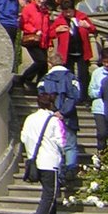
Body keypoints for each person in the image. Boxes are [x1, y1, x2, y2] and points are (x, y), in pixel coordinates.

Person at [20, 92, 65, 214]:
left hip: (34, 159)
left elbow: (24, 138)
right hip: (49, 160)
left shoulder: (30, 118)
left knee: (48, 190)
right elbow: (61, 141)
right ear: (51, 104)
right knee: (50, 193)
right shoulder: (53, 120)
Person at [38, 50, 81, 182]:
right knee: (70, 145)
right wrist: (63, 112)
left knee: (55, 145)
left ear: (49, 64)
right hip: (68, 116)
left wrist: (54, 112)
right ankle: (70, 169)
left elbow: (41, 97)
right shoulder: (71, 77)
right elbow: (76, 96)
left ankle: (59, 172)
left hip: (50, 117)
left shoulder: (44, 79)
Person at [50, 0, 96, 101]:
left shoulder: (82, 16)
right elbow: (50, 33)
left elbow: (93, 29)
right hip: (67, 52)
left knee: (83, 75)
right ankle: (70, 95)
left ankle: (83, 97)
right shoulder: (60, 19)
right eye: (65, 12)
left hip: (82, 50)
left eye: (70, 11)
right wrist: (57, 30)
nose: (68, 14)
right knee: (69, 75)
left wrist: (87, 26)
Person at [18, 0, 51, 90]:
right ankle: (24, 78)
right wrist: (34, 30)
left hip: (42, 40)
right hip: (32, 39)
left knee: (44, 65)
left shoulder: (45, 11)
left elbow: (47, 28)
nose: (42, 0)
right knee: (41, 61)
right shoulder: (28, 8)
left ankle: (39, 86)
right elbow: (23, 23)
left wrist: (49, 43)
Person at [87, 47, 108, 154]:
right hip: (100, 109)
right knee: (102, 133)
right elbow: (91, 92)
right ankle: (101, 156)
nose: (107, 64)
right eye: (104, 62)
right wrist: (102, 91)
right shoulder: (97, 73)